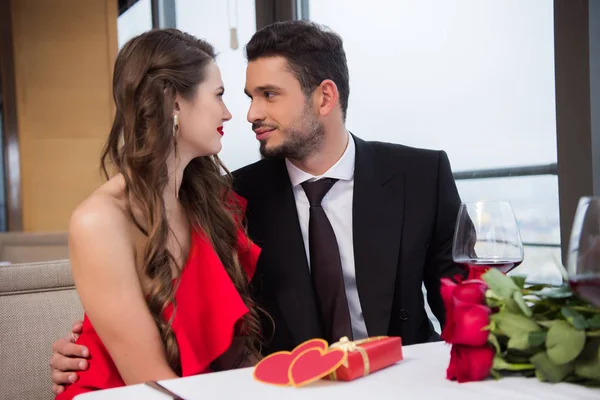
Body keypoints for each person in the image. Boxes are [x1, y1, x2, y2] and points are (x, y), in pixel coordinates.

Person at [50, 20, 465, 394]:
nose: (246, 114)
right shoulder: (237, 196)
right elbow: (158, 353)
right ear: (174, 104)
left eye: (269, 95)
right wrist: (93, 342)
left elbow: (465, 303)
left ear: (324, 97)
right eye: (240, 95)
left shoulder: (420, 176)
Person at [52, 28, 263, 398]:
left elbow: (236, 355)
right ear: (174, 103)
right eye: (219, 96)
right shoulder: (99, 220)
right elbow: (149, 378)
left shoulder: (207, 202)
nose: (229, 113)